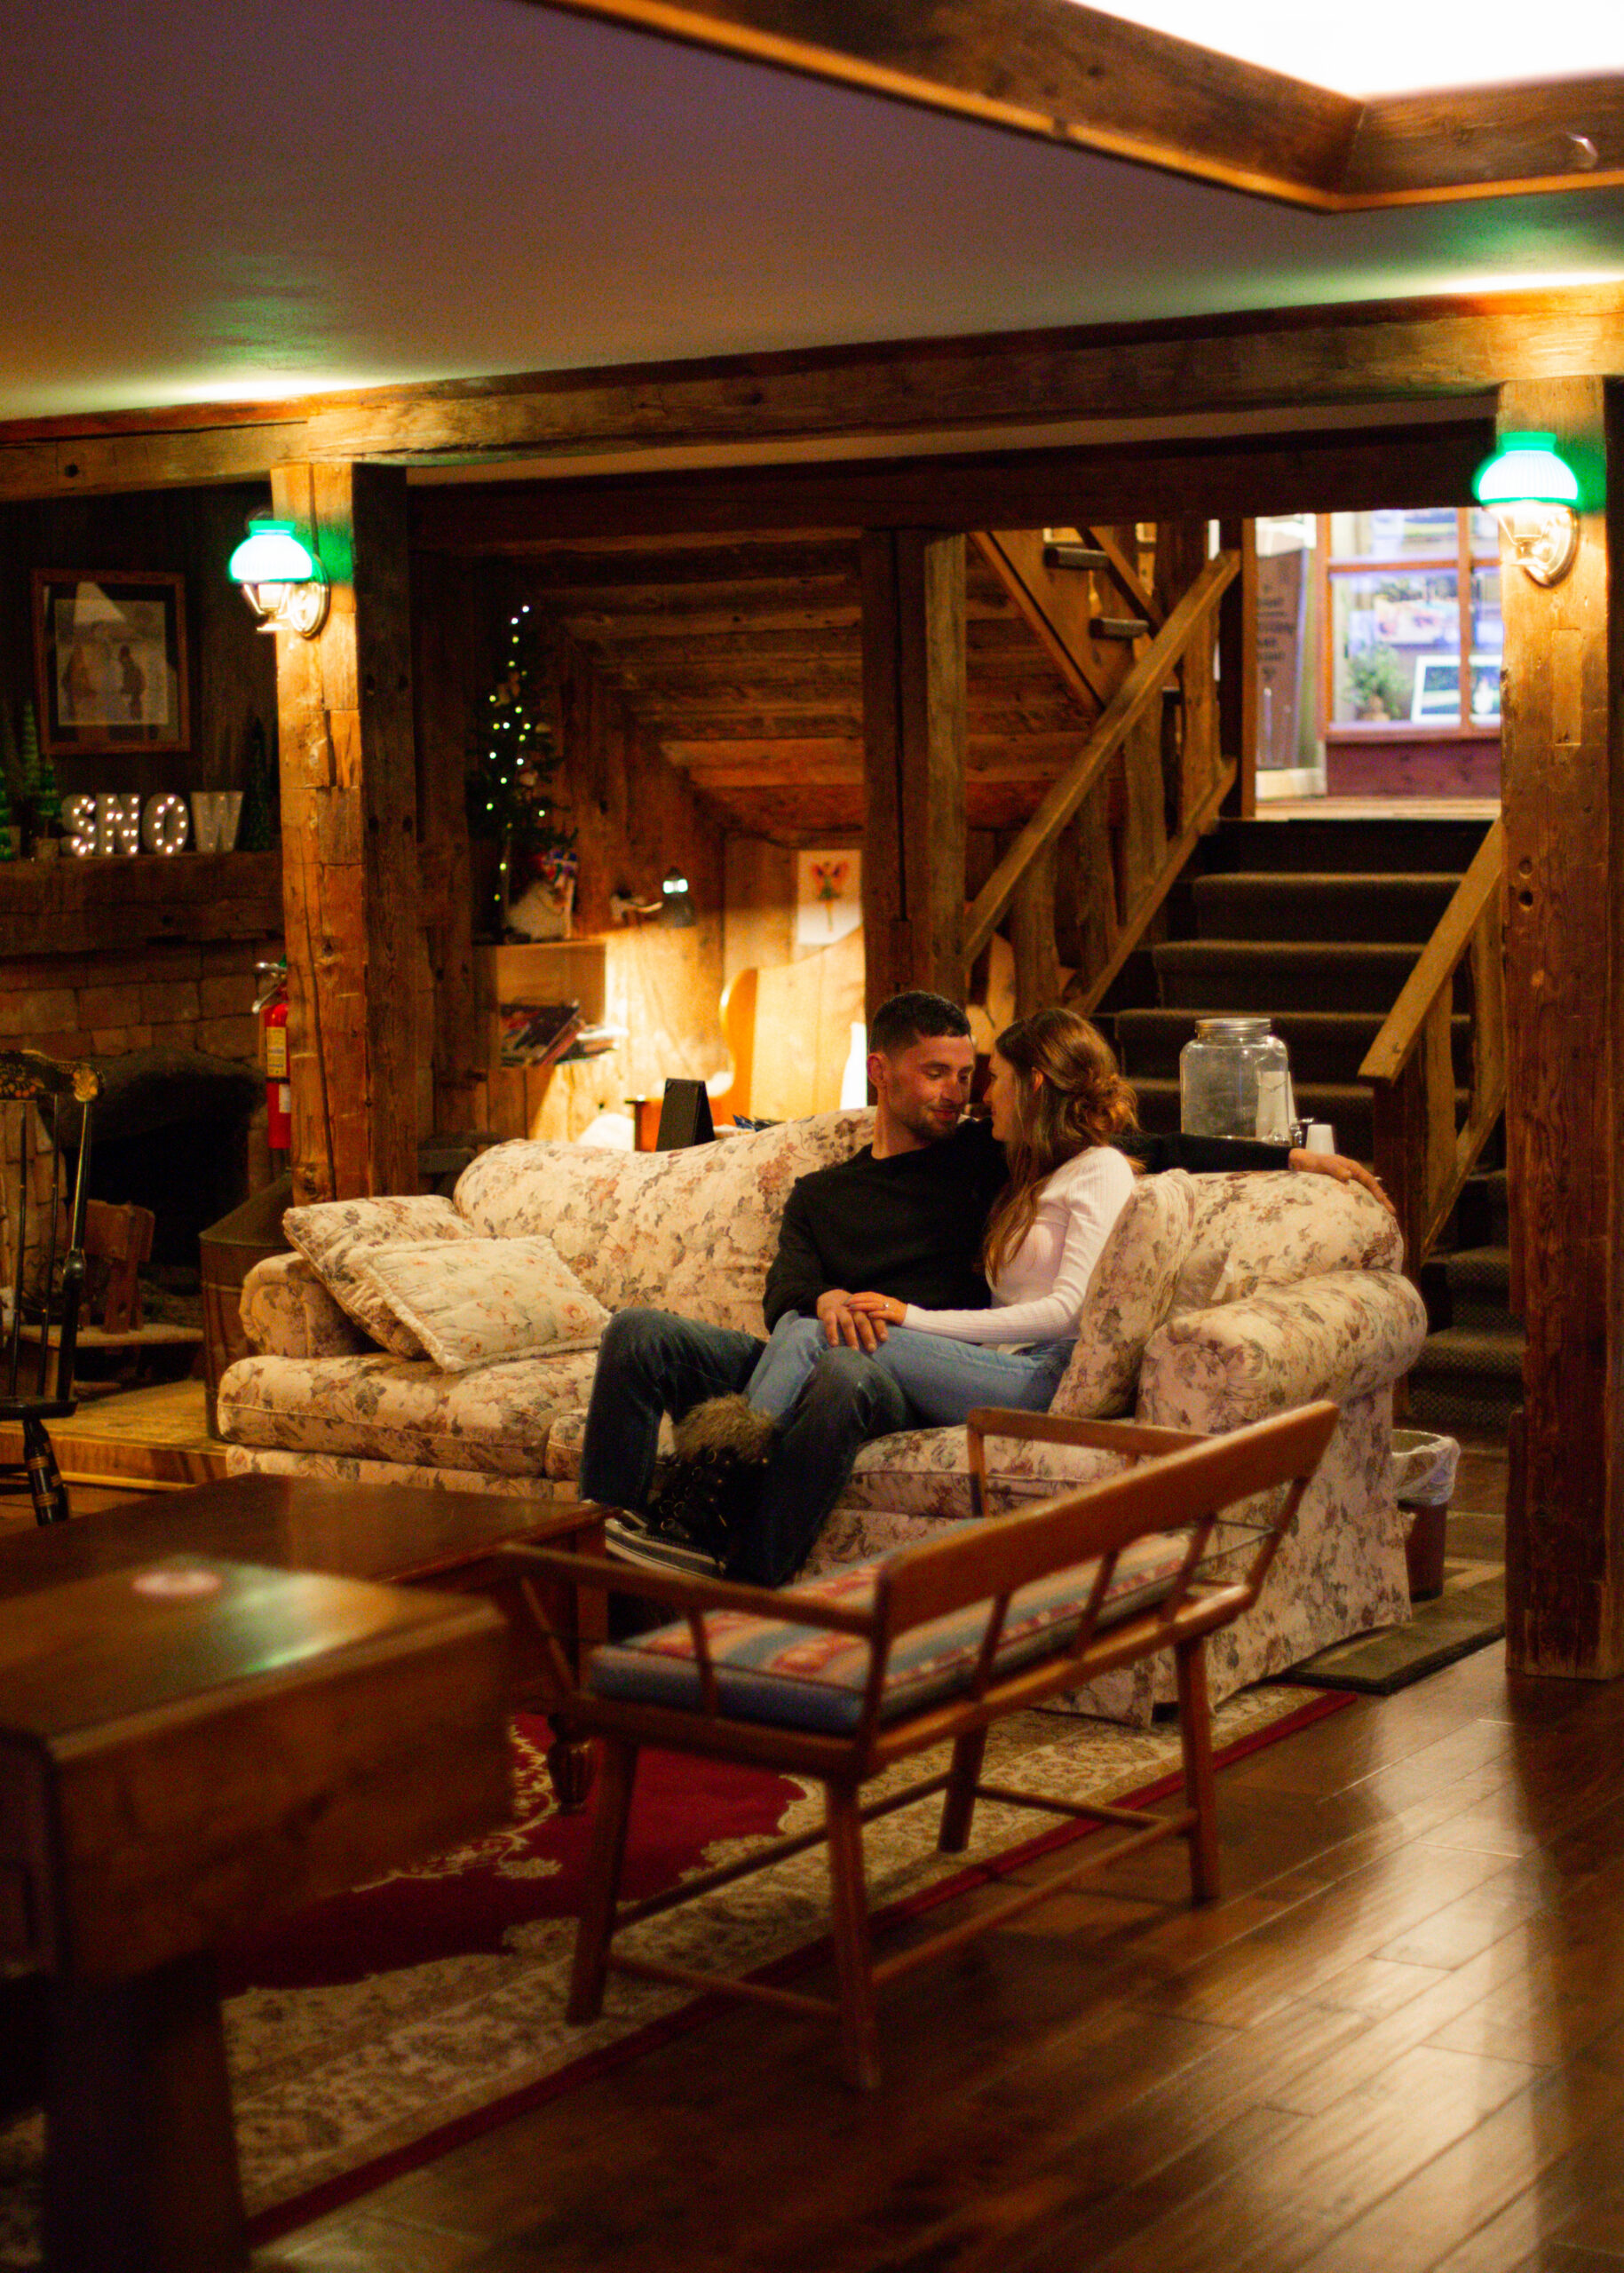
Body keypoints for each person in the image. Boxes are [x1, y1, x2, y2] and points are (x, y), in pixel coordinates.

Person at [580, 990, 1387, 1590]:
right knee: (643, 1333)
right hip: (807, 1351)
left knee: (843, 1363)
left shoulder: (989, 1155)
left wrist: (1288, 1156)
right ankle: (601, 1556)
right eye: (935, 1073)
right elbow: (787, 1294)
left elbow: (1133, 1145)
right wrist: (822, 1302)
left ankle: (721, 1538)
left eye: (970, 1077)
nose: (958, 1094)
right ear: (880, 1072)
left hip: (900, 1369)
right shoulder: (821, 1192)